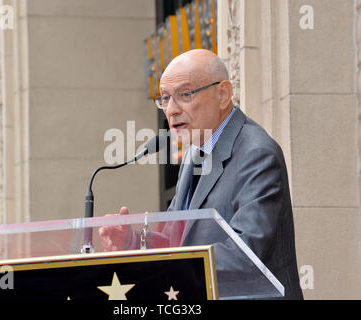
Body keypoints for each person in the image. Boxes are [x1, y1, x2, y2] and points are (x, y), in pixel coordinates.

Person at [99, 49, 303, 300]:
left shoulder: (256, 153)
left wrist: (161, 268)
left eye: (184, 94)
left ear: (223, 94)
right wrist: (131, 241)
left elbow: (247, 253)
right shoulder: (193, 156)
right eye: (164, 98)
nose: (171, 109)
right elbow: (176, 239)